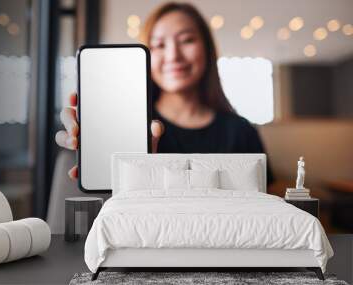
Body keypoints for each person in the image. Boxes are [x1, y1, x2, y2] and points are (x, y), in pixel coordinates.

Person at [56, 2, 274, 184]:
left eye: (187, 40)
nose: (173, 55)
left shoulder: (242, 132)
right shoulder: (128, 123)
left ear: (207, 49)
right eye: (159, 45)